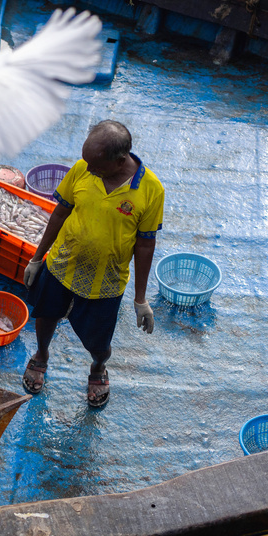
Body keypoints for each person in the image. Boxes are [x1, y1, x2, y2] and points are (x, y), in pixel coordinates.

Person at [21, 120, 165, 407]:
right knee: (46, 315)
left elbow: (145, 244)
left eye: (95, 164)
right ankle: (41, 355)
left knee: (98, 342)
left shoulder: (151, 191)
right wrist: (37, 259)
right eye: (85, 161)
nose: (87, 169)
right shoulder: (82, 169)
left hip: (106, 280)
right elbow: (60, 214)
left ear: (120, 160)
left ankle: (98, 367)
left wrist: (140, 299)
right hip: (62, 264)